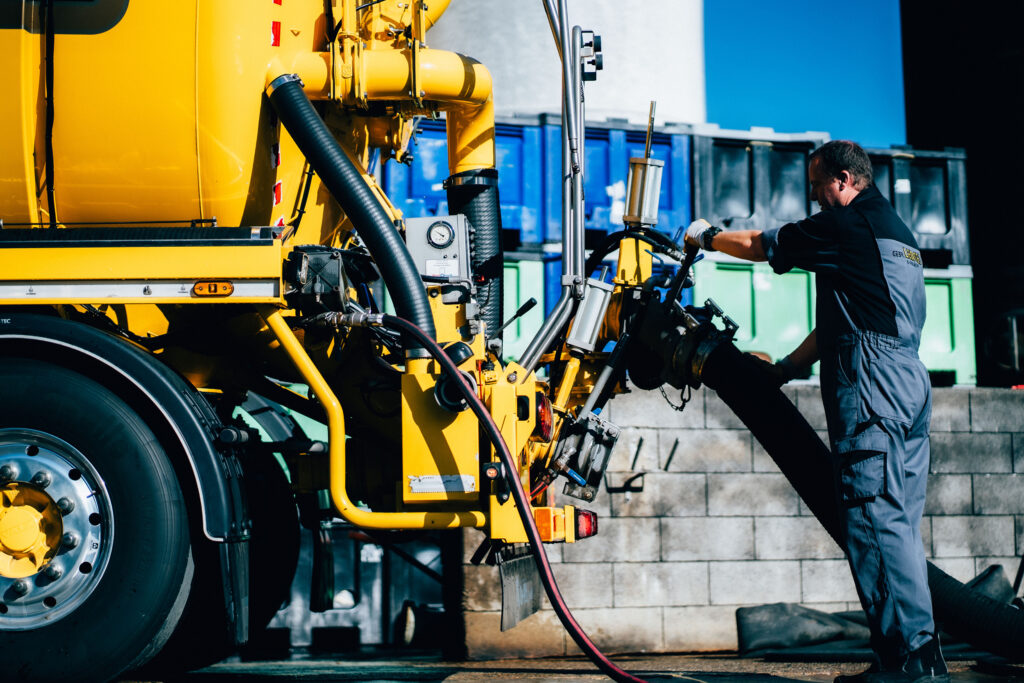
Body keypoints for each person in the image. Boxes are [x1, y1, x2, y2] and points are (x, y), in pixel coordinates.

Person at [685, 140, 947, 683]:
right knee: (897, 524)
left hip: (874, 382)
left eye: (818, 184)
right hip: (909, 382)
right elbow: (839, 324)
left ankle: (910, 665)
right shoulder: (897, 235)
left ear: (846, 180)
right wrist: (783, 369)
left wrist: (706, 236)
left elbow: (762, 244)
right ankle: (914, 659)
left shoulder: (844, 227)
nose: (813, 195)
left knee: (875, 518)